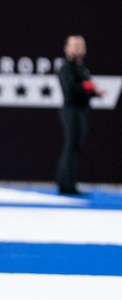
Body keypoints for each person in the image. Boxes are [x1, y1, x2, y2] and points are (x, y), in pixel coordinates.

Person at [56, 35, 104, 195]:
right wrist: (88, 87)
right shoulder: (66, 68)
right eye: (75, 45)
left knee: (75, 147)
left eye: (81, 45)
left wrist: (95, 92)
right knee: (71, 146)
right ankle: (66, 185)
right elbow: (71, 90)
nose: (79, 48)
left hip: (81, 110)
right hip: (71, 111)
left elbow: (85, 90)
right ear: (67, 48)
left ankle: (69, 183)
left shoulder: (82, 68)